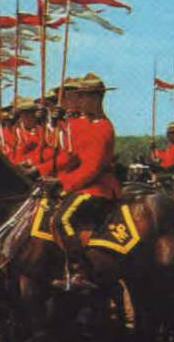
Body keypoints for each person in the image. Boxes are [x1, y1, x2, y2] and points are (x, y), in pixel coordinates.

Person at [48, 73, 122, 290]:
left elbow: (92, 168)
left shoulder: (103, 127)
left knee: (63, 219)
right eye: (79, 97)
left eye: (84, 97)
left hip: (99, 187)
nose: (79, 101)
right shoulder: (88, 124)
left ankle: (80, 271)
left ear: (97, 98)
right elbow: (70, 156)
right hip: (84, 183)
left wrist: (63, 184)